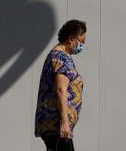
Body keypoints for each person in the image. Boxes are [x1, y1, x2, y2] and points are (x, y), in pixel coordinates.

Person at [35, 19, 87, 151]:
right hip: (57, 126)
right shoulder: (61, 58)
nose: (81, 46)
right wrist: (65, 122)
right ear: (71, 39)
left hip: (53, 126)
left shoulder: (54, 56)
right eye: (81, 42)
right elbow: (60, 90)